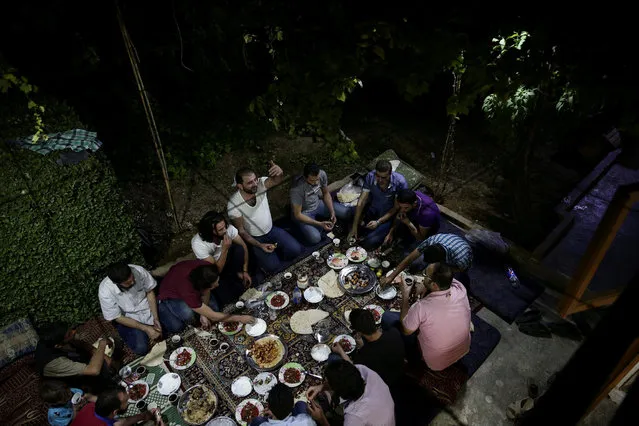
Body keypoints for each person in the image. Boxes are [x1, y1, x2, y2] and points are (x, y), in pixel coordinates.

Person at [382, 263, 471, 371]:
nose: (423, 277)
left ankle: (412, 359)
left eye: (425, 275)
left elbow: (405, 330)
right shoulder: (460, 288)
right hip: (463, 348)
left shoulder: (422, 307)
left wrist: (405, 294)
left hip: (436, 363)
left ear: (434, 285)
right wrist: (425, 285)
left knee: (388, 317)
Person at [228, 162, 303, 273]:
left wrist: (279, 172)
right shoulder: (233, 205)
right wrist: (259, 245)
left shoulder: (260, 184)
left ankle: (276, 251)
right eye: (249, 183)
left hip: (271, 229)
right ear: (240, 186)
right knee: (273, 267)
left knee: (296, 250)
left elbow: (276, 180)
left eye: (255, 179)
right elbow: (242, 231)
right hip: (255, 238)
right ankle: (265, 257)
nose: (254, 184)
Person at [157, 260, 255, 333]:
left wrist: (203, 314)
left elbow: (207, 291)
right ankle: (166, 306)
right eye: (215, 284)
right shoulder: (188, 291)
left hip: (184, 276)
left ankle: (201, 314)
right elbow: (213, 315)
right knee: (188, 314)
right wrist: (240, 318)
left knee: (214, 308)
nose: (218, 285)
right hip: (171, 293)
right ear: (204, 287)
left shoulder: (207, 268)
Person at [330, 309, 405, 389]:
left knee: (333, 358)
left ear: (358, 332)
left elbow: (355, 369)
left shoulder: (365, 356)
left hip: (383, 384)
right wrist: (362, 345)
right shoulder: (394, 332)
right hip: (398, 371)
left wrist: (340, 351)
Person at [306, 360, 395, 426]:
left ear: (340, 392)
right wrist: (321, 387)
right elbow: (345, 377)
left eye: (327, 381)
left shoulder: (354, 418)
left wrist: (321, 418)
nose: (324, 382)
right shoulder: (364, 371)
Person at [98, 262, 161, 355]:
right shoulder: (105, 291)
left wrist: (156, 318)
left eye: (133, 278)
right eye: (128, 283)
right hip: (128, 318)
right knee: (141, 348)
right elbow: (117, 317)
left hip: (147, 306)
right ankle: (144, 333)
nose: (133, 282)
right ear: (117, 283)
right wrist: (146, 328)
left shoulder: (138, 270)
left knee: (176, 325)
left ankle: (151, 330)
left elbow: (150, 292)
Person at [35, 322, 116, 394]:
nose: (74, 332)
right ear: (58, 345)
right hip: (74, 386)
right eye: (70, 334)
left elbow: (84, 345)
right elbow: (94, 370)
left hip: (81, 363)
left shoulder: (57, 336)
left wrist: (106, 358)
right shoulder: (53, 362)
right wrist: (102, 344)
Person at [191, 211, 252, 303]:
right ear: (211, 231)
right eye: (220, 229)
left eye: (225, 226)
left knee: (239, 249)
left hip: (228, 261)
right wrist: (224, 250)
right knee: (229, 298)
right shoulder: (198, 244)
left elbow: (244, 247)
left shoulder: (228, 229)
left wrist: (245, 270)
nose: (225, 231)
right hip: (214, 271)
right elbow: (216, 271)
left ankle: (237, 273)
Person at [347, 160, 408, 250]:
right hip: (372, 209)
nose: (379, 180)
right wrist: (354, 226)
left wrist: (378, 222)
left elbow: (396, 207)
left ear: (390, 174)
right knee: (350, 220)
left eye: (383, 177)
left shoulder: (400, 183)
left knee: (369, 242)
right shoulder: (370, 177)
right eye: (378, 176)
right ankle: (360, 228)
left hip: (387, 215)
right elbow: (361, 201)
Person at [290, 163, 351, 245]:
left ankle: (322, 224)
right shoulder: (296, 189)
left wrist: (332, 212)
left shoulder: (321, 174)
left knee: (346, 212)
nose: (316, 183)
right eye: (312, 180)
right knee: (315, 238)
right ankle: (311, 226)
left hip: (317, 203)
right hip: (304, 212)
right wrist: (319, 224)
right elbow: (298, 215)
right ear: (305, 178)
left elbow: (326, 193)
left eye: (317, 179)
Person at [380, 232, 472, 285]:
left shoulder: (461, 259)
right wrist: (392, 276)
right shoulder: (432, 241)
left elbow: (460, 269)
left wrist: (438, 274)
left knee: (446, 281)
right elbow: (410, 257)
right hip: (446, 244)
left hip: (459, 259)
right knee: (415, 264)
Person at [71, 386, 161, 426]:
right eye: (126, 402)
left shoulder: (89, 406)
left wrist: (144, 415)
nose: (129, 401)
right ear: (115, 412)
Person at [250, 383, 316, 426]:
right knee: (301, 404)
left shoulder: (262, 425)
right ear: (292, 405)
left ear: (268, 406)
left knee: (257, 420)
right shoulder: (306, 421)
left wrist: (275, 410)